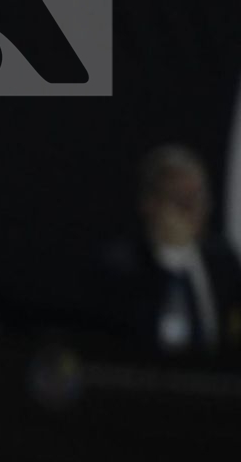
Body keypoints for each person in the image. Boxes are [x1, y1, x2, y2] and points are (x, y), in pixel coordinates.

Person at [101, 144, 241, 355]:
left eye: (199, 198)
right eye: (181, 200)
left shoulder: (223, 263)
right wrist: (171, 257)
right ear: (150, 204)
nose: (192, 210)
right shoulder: (124, 265)